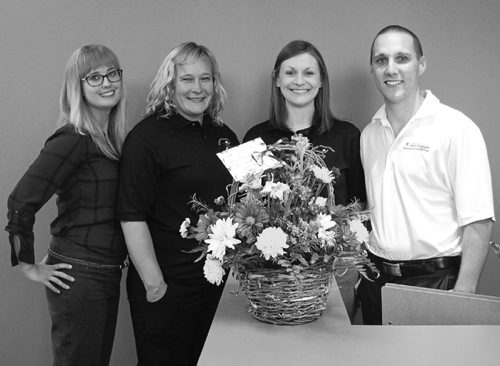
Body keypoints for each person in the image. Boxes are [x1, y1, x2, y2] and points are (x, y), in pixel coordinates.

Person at [358, 25, 494, 324]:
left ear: (421, 64)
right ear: (372, 69)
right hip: (376, 280)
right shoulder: (369, 134)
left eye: (402, 58)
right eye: (381, 60)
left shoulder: (456, 129)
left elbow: (479, 221)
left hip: (436, 283)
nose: (391, 69)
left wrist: (464, 293)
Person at [5, 45, 128, 365]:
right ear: (78, 86)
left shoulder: (110, 139)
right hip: (80, 277)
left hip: (106, 272)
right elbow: (20, 201)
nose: (107, 82)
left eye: (112, 73)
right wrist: (27, 264)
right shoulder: (74, 137)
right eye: (94, 77)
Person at [117, 42, 238, 366]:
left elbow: (250, 200)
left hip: (218, 287)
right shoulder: (146, 139)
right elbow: (131, 217)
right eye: (187, 79)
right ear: (169, 84)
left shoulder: (224, 135)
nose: (197, 88)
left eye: (205, 78)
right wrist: (154, 283)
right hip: (169, 288)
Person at [243, 40, 366, 323]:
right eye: (290, 72)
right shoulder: (254, 138)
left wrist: (353, 263)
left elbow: (361, 205)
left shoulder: (347, 136)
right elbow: (245, 207)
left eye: (309, 73)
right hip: (272, 271)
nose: (300, 81)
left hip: (337, 269)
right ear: (276, 79)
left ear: (321, 80)